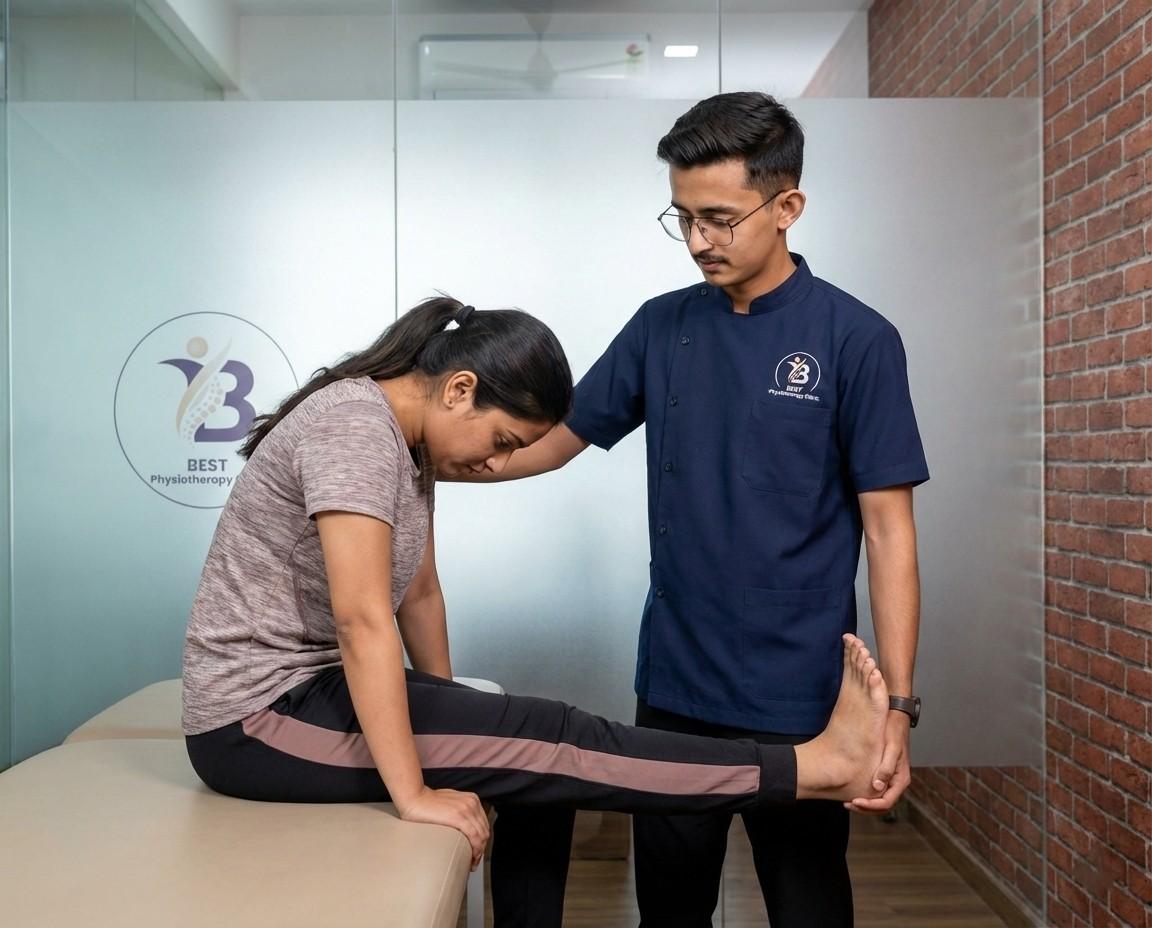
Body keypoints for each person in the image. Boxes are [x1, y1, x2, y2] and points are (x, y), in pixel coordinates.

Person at [182, 296, 896, 928]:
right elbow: (363, 620)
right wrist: (416, 792)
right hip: (253, 721)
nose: (496, 464)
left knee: (536, 769)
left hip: (307, 695)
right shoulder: (357, 430)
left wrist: (458, 718)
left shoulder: (403, 443)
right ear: (459, 390)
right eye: (500, 442)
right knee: (556, 742)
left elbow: (418, 594)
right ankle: (810, 770)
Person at [465, 92, 929, 926]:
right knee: (671, 909)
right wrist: (428, 459)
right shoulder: (660, 326)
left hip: (804, 695)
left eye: (718, 218)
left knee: (808, 903)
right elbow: (560, 438)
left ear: (787, 205)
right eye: (681, 218)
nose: (698, 242)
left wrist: (895, 706)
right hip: (677, 689)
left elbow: (890, 535)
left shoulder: (856, 339)